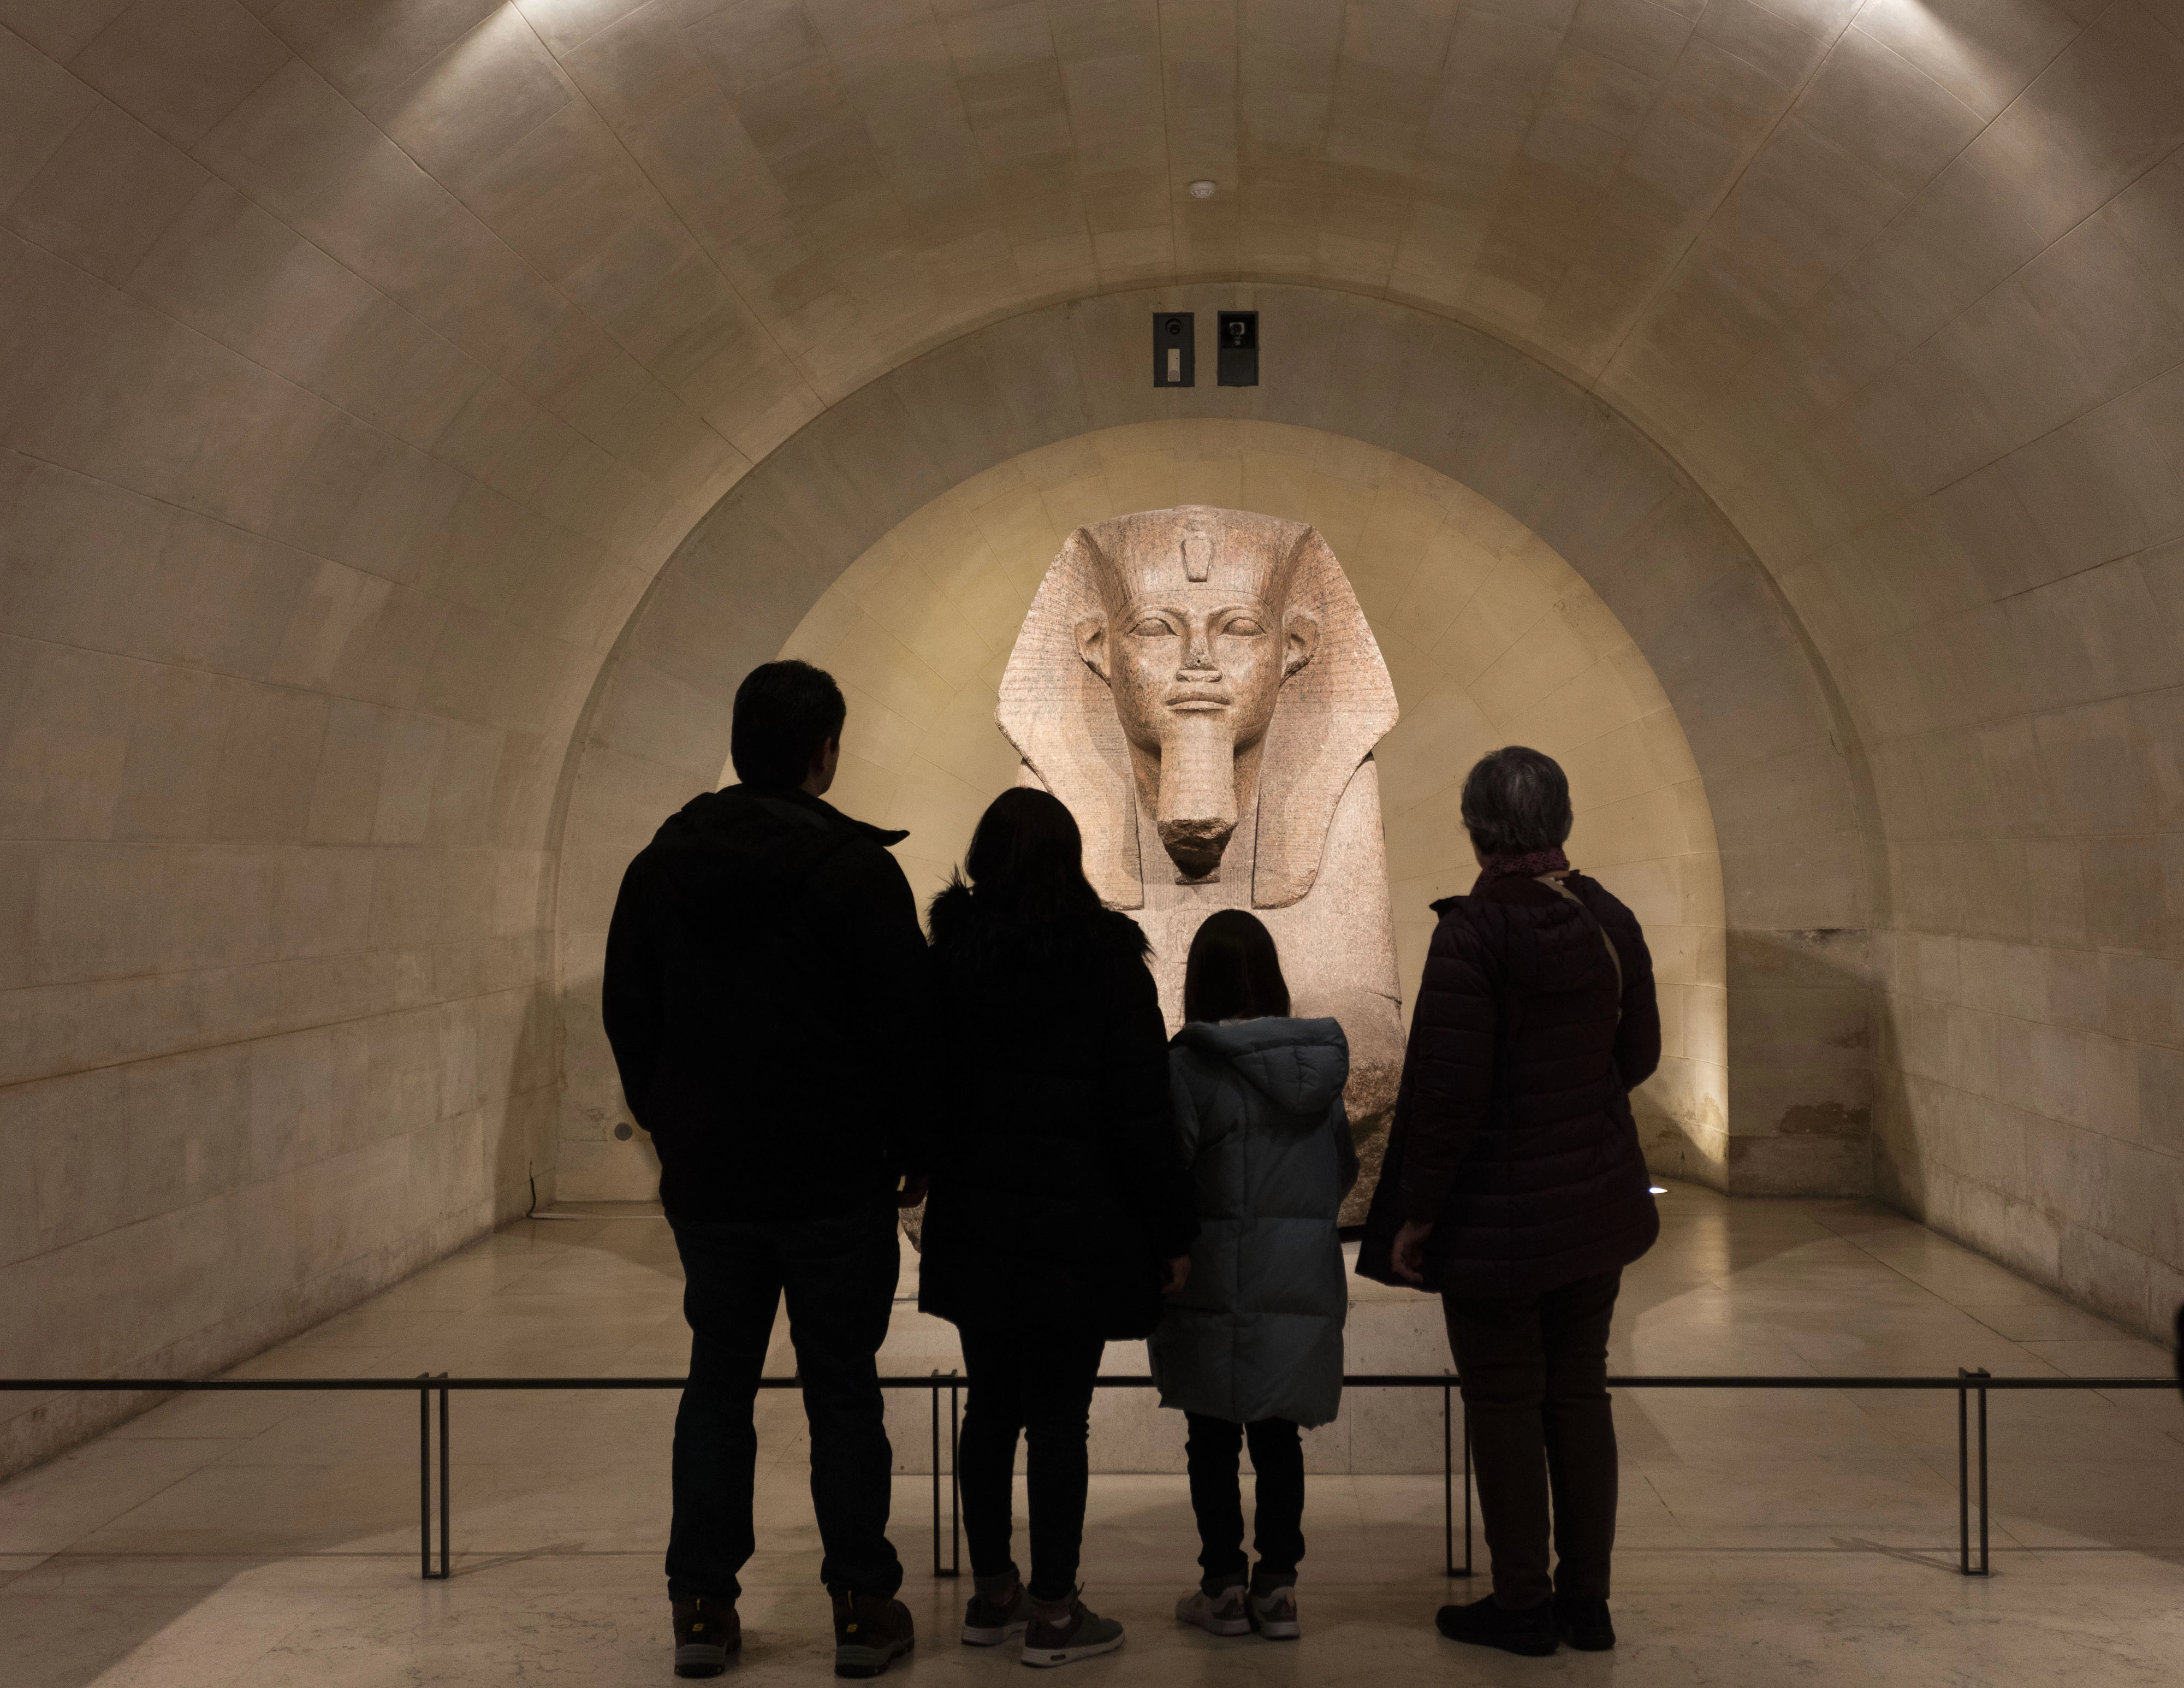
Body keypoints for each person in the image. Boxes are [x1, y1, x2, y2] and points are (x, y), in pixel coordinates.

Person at [602, 660, 935, 1681]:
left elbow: (631, 1016)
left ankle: (702, 1605)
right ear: (823, 753)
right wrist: (916, 1155)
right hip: (835, 1181)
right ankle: (860, 1603)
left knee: (718, 1384)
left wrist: (676, 1124)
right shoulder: (855, 871)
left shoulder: (660, 867)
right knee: (843, 1390)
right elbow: (905, 1032)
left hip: (714, 1183)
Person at [1358, 745, 1660, 1658]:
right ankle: (1588, 1602)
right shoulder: (1607, 918)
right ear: (1560, 819)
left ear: (1476, 827)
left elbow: (1448, 1098)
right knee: (1579, 1393)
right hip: (1590, 1207)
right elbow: (1637, 1054)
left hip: (1495, 1219)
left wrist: (1415, 1213)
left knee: (1503, 1401)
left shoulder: (1473, 934)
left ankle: (1524, 1601)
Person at [918, 787, 1198, 1668]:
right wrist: (1172, 1231)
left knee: (991, 1406)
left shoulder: (950, 959)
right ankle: (1053, 1609)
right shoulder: (1108, 962)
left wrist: (920, 1180)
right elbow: (1140, 1112)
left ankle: (994, 1590)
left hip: (979, 1214)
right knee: (1059, 1421)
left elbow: (922, 1086)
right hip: (1080, 1220)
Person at [1153, 910, 1357, 1643]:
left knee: (1211, 1439)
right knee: (1279, 1439)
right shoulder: (1316, 1065)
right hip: (1293, 1276)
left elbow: (1167, 1173)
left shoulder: (1190, 1066)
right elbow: (1345, 1168)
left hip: (1211, 1281)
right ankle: (1278, 1589)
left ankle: (1224, 1587)